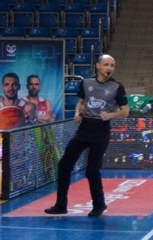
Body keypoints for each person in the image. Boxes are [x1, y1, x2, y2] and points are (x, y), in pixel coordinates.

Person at [45, 54, 129, 218]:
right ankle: (60, 205)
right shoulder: (86, 82)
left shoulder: (117, 87)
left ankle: (99, 205)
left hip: (101, 131)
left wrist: (111, 115)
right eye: (106, 65)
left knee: (92, 170)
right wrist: (78, 113)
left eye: (112, 65)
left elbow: (125, 111)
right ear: (98, 66)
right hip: (84, 129)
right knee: (64, 165)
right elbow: (81, 103)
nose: (109, 68)